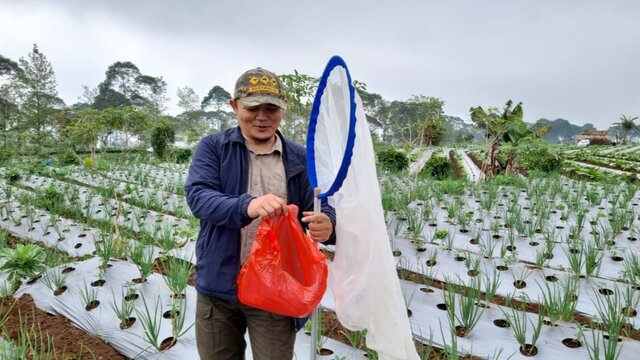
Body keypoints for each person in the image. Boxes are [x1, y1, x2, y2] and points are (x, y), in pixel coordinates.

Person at [185, 67, 336, 360]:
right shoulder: (214, 148)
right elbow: (199, 197)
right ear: (234, 106)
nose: (262, 117)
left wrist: (328, 222)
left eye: (271, 108)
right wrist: (247, 206)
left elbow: (321, 204)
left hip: (275, 287)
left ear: (283, 109)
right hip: (219, 285)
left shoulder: (300, 157)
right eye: (253, 108)